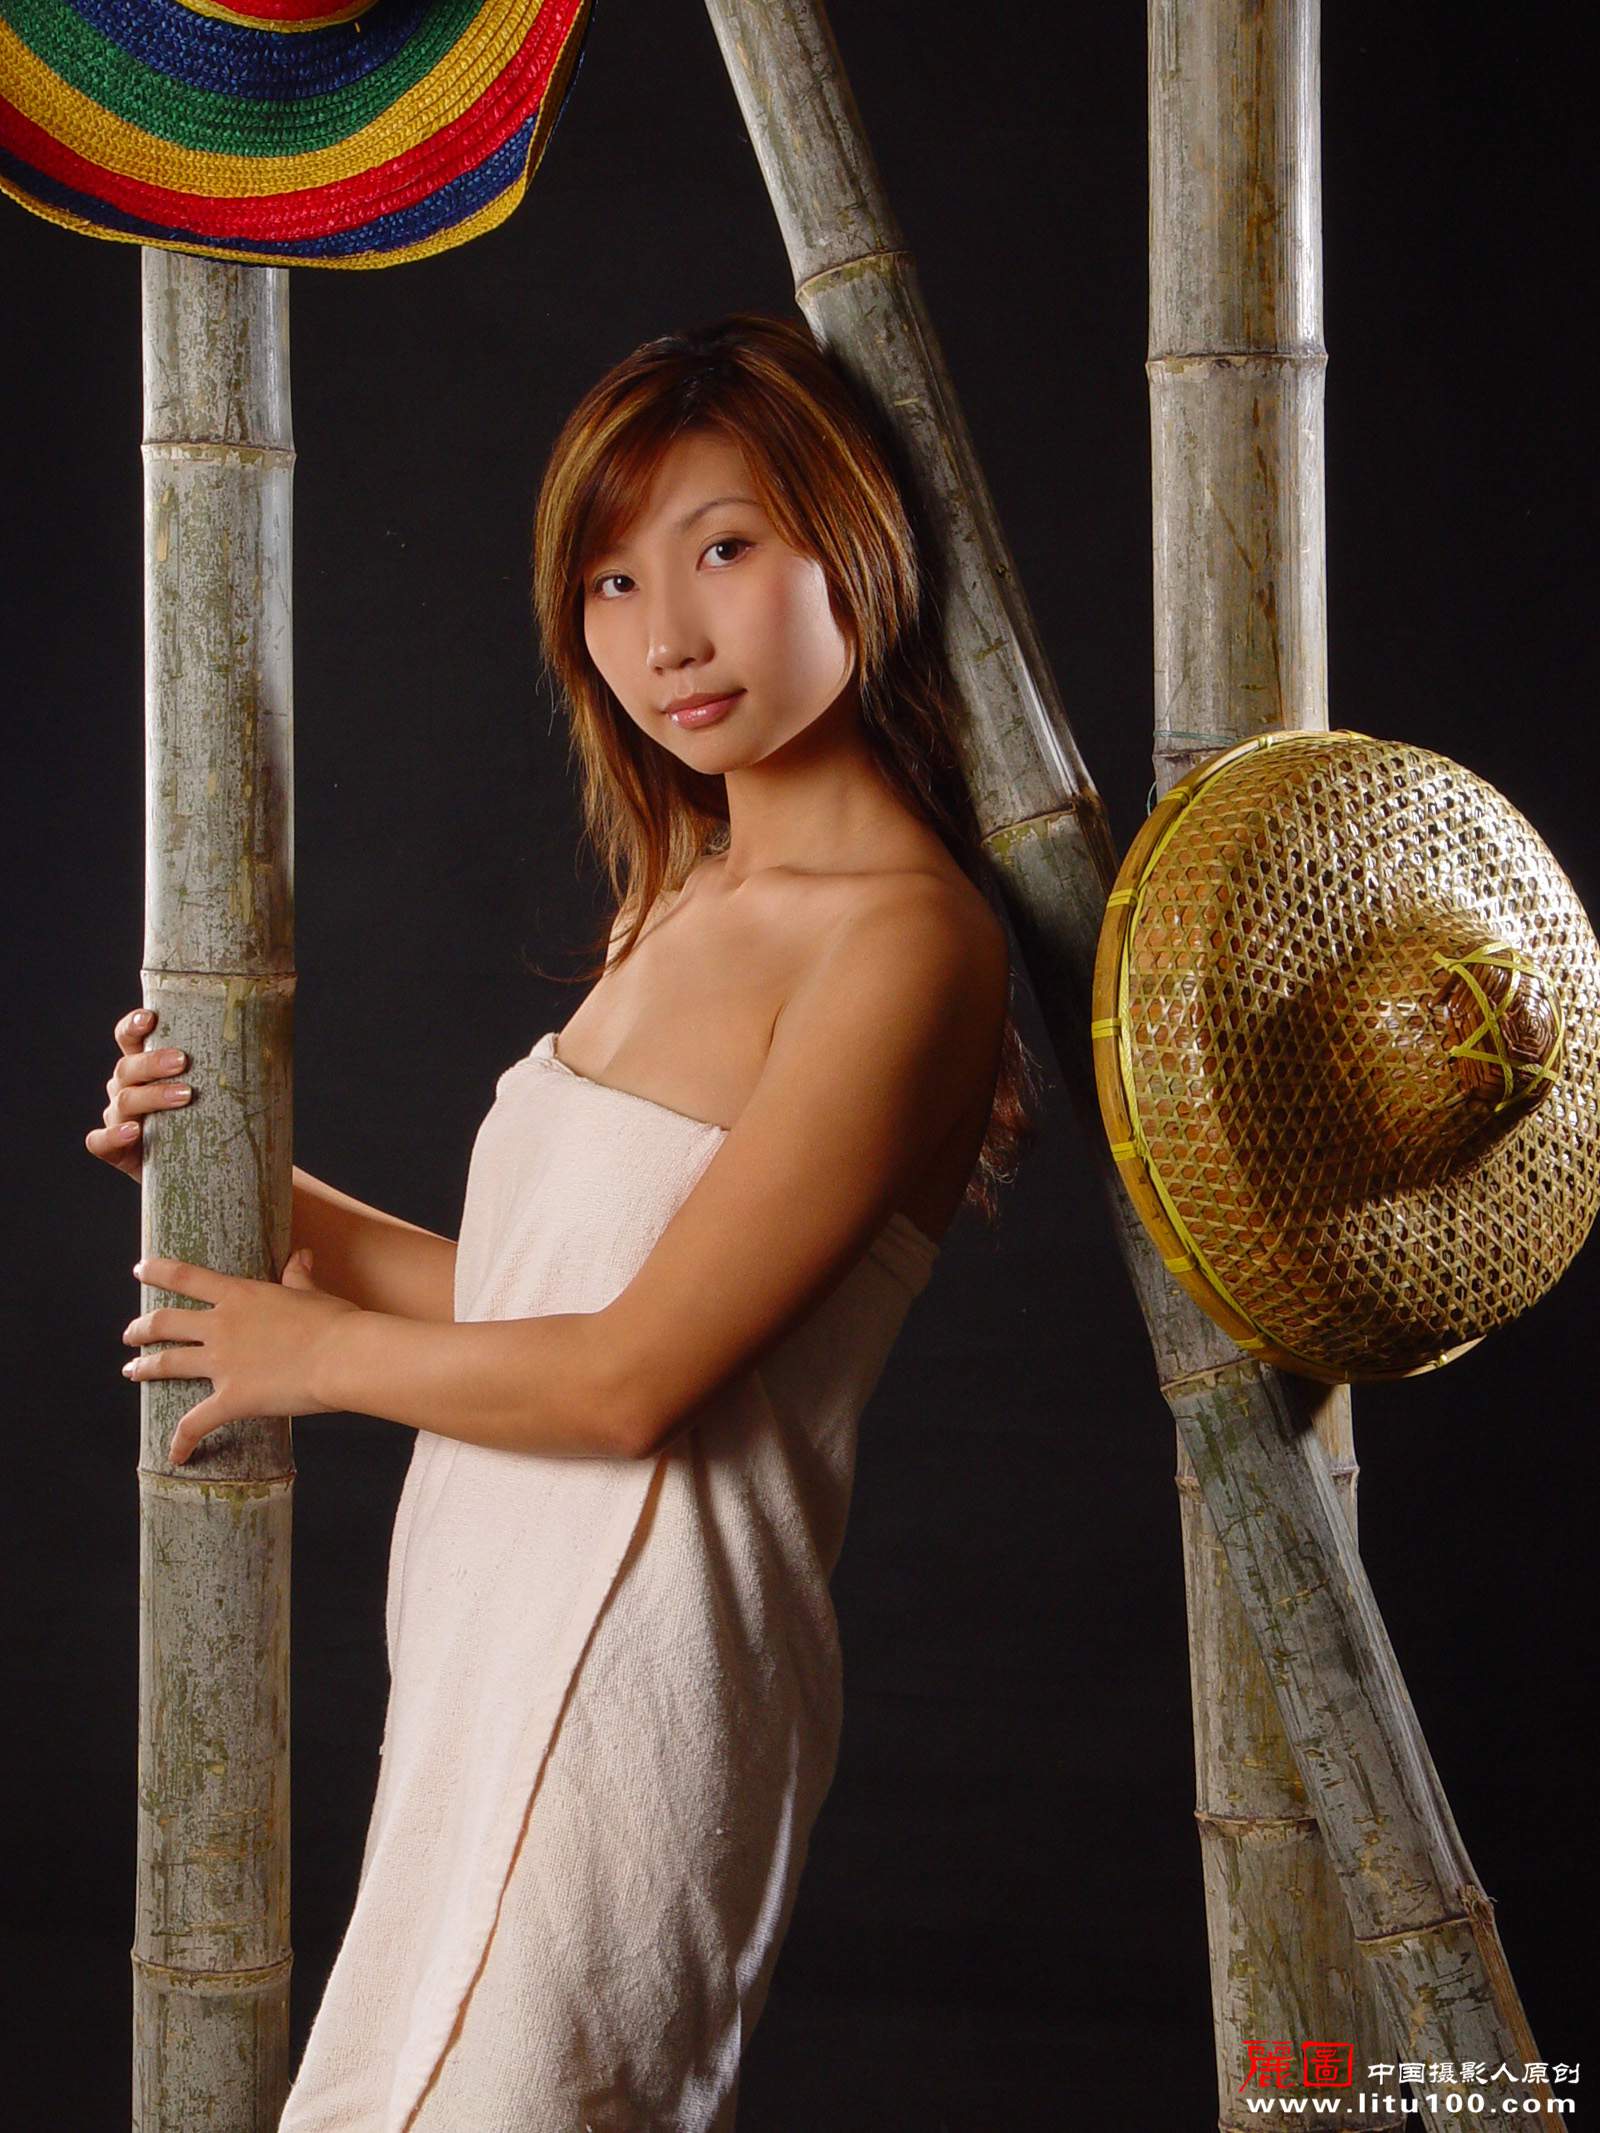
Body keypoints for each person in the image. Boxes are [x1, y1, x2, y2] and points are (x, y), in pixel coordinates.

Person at [88, 311, 1040, 2131]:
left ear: (857, 545)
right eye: (612, 580)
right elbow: (537, 1298)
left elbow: (629, 1379)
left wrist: (318, 1357)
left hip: (640, 1678)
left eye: (723, 547)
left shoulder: (908, 942)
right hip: (483, 1647)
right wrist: (236, 1185)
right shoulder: (677, 898)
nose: (664, 633)